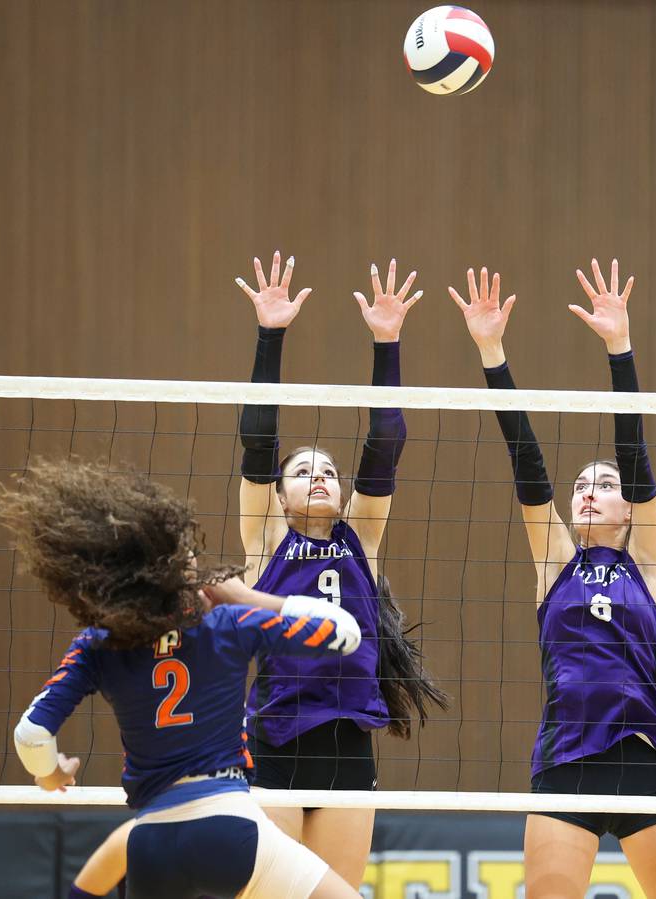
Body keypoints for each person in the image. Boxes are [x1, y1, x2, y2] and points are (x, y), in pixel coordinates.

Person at [0, 460, 364, 899]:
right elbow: (346, 633)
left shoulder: (97, 646)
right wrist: (248, 597)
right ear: (174, 566)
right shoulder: (229, 624)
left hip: (150, 841)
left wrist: (51, 774)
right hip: (233, 830)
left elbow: (31, 733)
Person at [449, 259, 656, 899]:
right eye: (582, 486)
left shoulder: (649, 560)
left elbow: (636, 456)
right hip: (567, 758)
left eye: (606, 486)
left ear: (629, 508)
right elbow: (527, 465)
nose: (590, 494)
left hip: (643, 756)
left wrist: (620, 349)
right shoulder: (555, 560)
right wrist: (493, 355)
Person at [235, 251, 422, 887]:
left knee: (337, 892)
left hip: (347, 740)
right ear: (280, 495)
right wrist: (271, 333)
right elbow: (258, 440)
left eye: (328, 471)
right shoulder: (265, 538)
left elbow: (387, 440)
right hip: (278, 736)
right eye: (303, 471)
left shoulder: (361, 536)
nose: (318, 477)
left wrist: (386, 341)